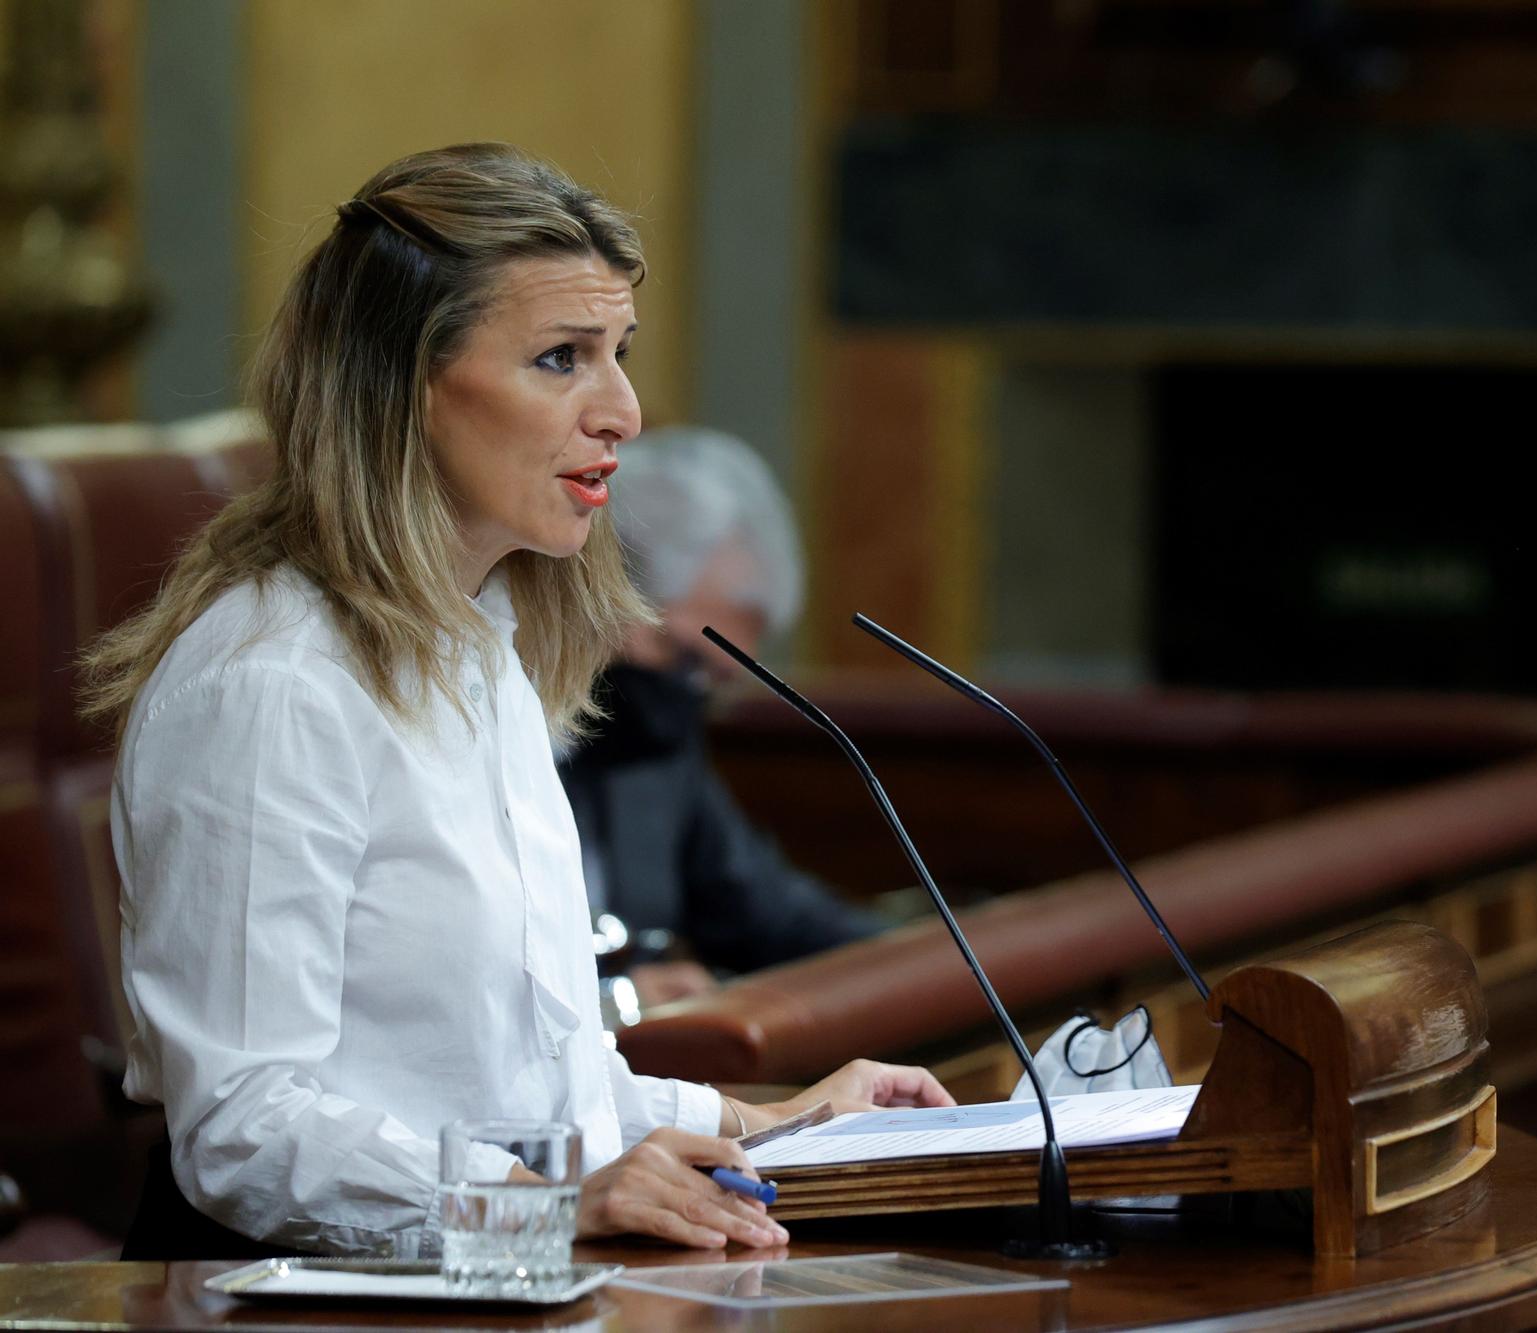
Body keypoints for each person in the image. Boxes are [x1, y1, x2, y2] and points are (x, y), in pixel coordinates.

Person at [81, 143, 950, 1262]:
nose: (624, 412)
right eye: (559, 359)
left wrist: (767, 1121)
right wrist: (545, 1207)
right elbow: (245, 1132)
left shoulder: (483, 644)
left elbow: (517, 1084)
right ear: (398, 385)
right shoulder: (271, 684)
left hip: (492, 1272)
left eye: (619, 355)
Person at [561, 428, 884, 1006]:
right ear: (598, 587)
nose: (690, 695)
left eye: (717, 678)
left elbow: (774, 916)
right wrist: (613, 1002)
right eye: (684, 658)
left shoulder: (655, 753)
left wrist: (946, 959)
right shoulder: (468, 729)